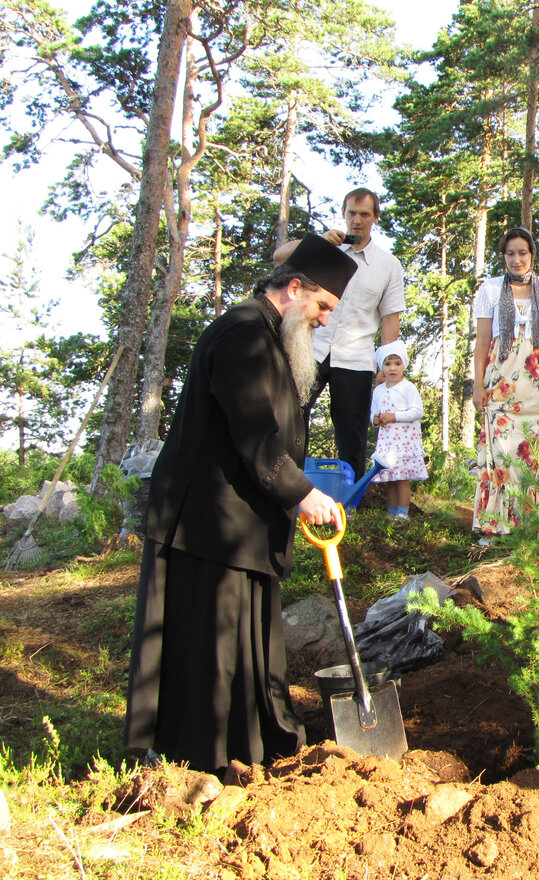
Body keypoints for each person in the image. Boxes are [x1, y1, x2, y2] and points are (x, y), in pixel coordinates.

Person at [125, 235, 357, 774]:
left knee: (245, 639)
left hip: (238, 520)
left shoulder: (271, 336)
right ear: (296, 289)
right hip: (205, 523)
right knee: (209, 643)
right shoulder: (241, 334)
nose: (323, 319)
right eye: (322, 307)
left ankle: (252, 745)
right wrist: (304, 494)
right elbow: (255, 435)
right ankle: (199, 755)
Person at [277, 188, 407, 480]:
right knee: (291, 416)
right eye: (351, 213)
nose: (357, 220)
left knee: (352, 432)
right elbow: (280, 256)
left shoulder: (388, 266)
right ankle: (288, 485)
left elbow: (390, 320)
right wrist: (319, 241)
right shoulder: (326, 249)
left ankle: (350, 501)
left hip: (357, 358)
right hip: (312, 349)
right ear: (344, 214)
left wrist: (386, 368)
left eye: (364, 214)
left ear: (375, 217)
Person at [472, 226, 539, 541]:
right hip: (501, 378)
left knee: (536, 452)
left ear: (532, 255)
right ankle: (495, 523)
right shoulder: (488, 290)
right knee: (500, 451)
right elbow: (483, 340)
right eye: (510, 253)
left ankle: (534, 526)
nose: (517, 260)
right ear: (503, 256)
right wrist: (477, 384)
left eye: (522, 253)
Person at [370, 340, 427, 520]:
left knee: (402, 478)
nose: (392, 368)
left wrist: (394, 416)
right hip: (387, 443)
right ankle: (391, 511)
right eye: (387, 364)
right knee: (390, 479)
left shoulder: (407, 387)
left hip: (404, 443)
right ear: (382, 367)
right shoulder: (379, 390)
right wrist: (376, 419)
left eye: (397, 363)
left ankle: (403, 512)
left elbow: (418, 411)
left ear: (404, 365)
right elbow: (372, 412)